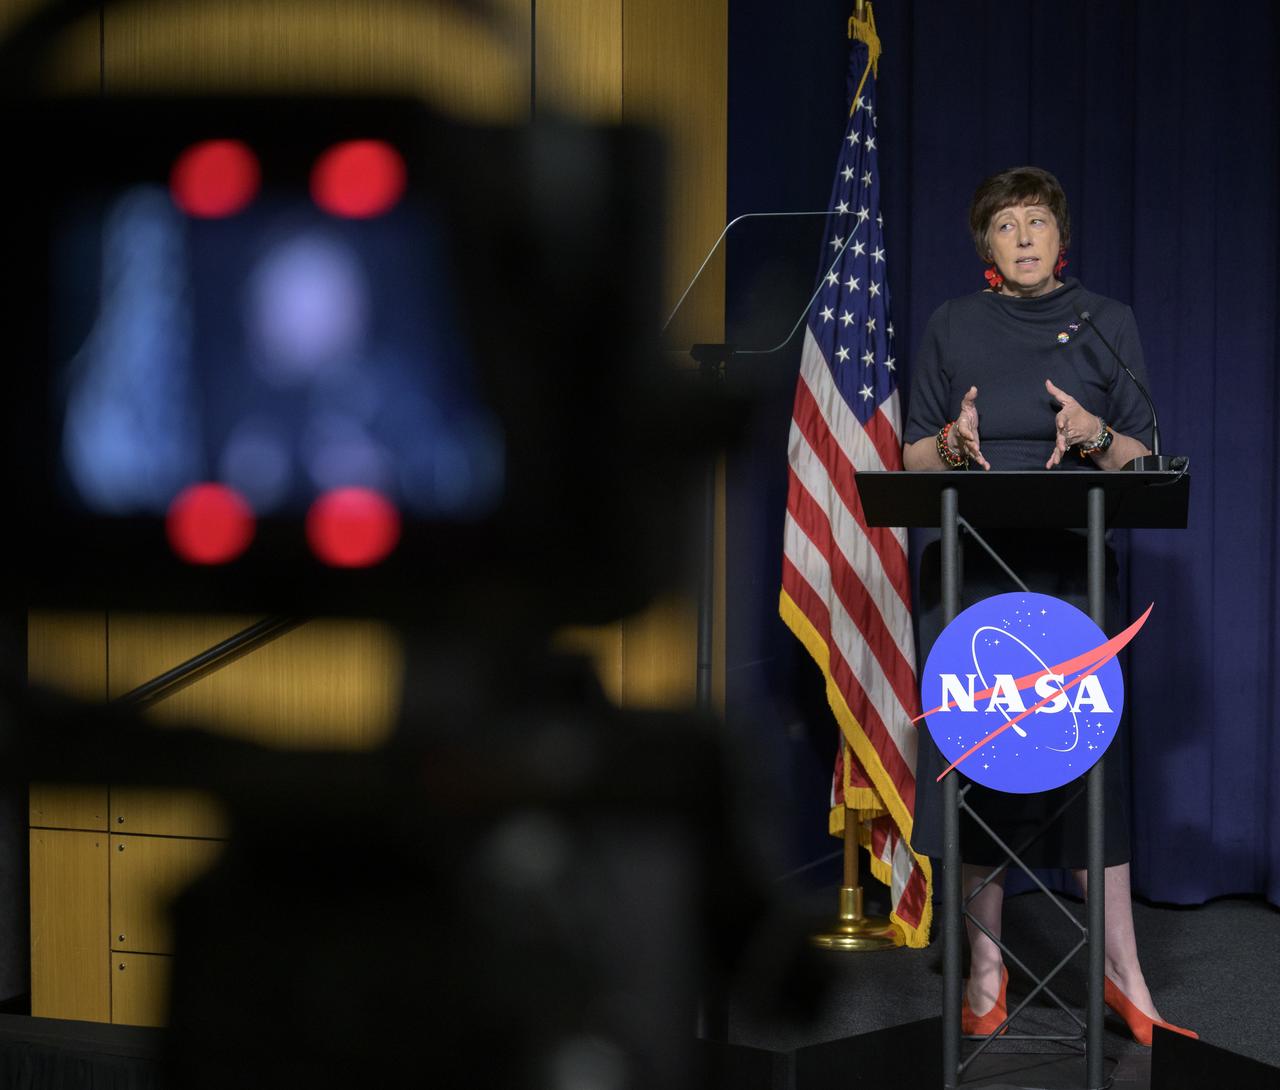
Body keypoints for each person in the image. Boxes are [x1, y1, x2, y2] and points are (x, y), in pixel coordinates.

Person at [901, 165, 1196, 1046]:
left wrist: (1094, 435)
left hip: (1073, 575)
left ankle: (1122, 973)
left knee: (1086, 762)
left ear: (1061, 239)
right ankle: (986, 967)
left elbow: (1146, 459)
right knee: (983, 758)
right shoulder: (952, 324)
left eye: (1036, 222)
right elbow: (911, 460)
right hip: (971, 576)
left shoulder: (1108, 325)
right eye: (1004, 225)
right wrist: (952, 445)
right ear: (984, 244)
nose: (1023, 237)